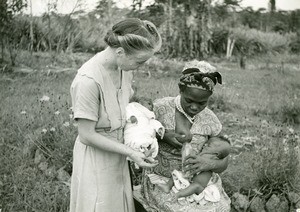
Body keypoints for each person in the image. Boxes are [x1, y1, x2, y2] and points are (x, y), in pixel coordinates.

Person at [69, 18, 162, 212]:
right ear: (120, 52)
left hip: (118, 153)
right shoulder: (88, 81)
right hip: (95, 158)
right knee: (99, 204)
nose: (141, 66)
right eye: (139, 61)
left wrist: (141, 139)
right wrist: (130, 152)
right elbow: (86, 135)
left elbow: (125, 111)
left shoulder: (123, 69)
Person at [140, 60, 231, 212]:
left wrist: (208, 164)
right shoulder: (160, 108)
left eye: (202, 103)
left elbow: (224, 158)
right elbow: (139, 133)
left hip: (198, 181)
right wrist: (164, 136)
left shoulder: (211, 121)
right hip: (164, 180)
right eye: (189, 100)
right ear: (181, 90)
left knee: (220, 208)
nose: (194, 107)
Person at [157, 136, 231, 204]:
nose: (204, 145)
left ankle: (179, 194)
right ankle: (167, 186)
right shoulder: (206, 153)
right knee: (177, 174)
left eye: (208, 145)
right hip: (191, 176)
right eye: (205, 143)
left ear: (216, 154)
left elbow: (225, 160)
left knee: (195, 186)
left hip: (199, 184)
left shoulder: (213, 158)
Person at [124, 97, 165, 161]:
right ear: (140, 103)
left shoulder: (149, 115)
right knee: (136, 142)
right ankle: (139, 156)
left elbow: (154, 122)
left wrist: (159, 128)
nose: (151, 106)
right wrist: (131, 116)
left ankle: (147, 152)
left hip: (145, 133)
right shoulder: (133, 106)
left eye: (152, 106)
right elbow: (127, 110)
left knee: (153, 142)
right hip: (134, 130)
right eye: (149, 103)